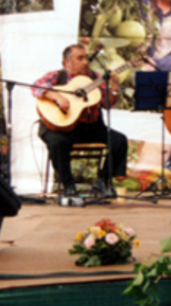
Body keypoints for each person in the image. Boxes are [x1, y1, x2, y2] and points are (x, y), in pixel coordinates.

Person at [32, 44, 128, 197]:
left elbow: (106, 103)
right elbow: (36, 87)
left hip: (90, 128)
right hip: (58, 127)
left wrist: (114, 89)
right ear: (67, 62)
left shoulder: (96, 78)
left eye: (86, 58)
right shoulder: (57, 75)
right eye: (80, 58)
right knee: (57, 142)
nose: (85, 62)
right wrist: (57, 97)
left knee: (119, 140)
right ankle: (68, 185)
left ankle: (102, 181)